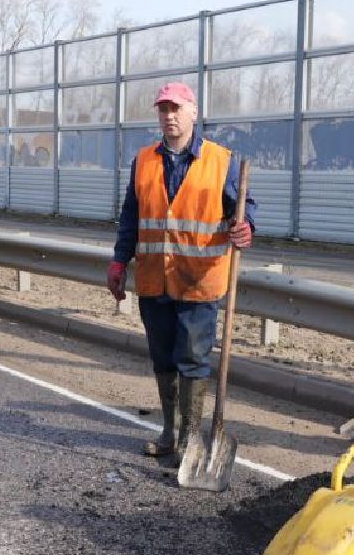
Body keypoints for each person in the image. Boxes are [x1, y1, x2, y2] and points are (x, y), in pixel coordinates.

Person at [107, 82, 255, 470]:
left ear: (193, 112)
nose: (169, 116)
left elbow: (243, 209)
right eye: (163, 109)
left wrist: (245, 227)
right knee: (162, 356)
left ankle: (191, 437)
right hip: (155, 278)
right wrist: (120, 262)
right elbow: (131, 218)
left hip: (199, 280)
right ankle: (171, 433)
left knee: (191, 357)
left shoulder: (222, 161)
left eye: (176, 108)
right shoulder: (144, 161)